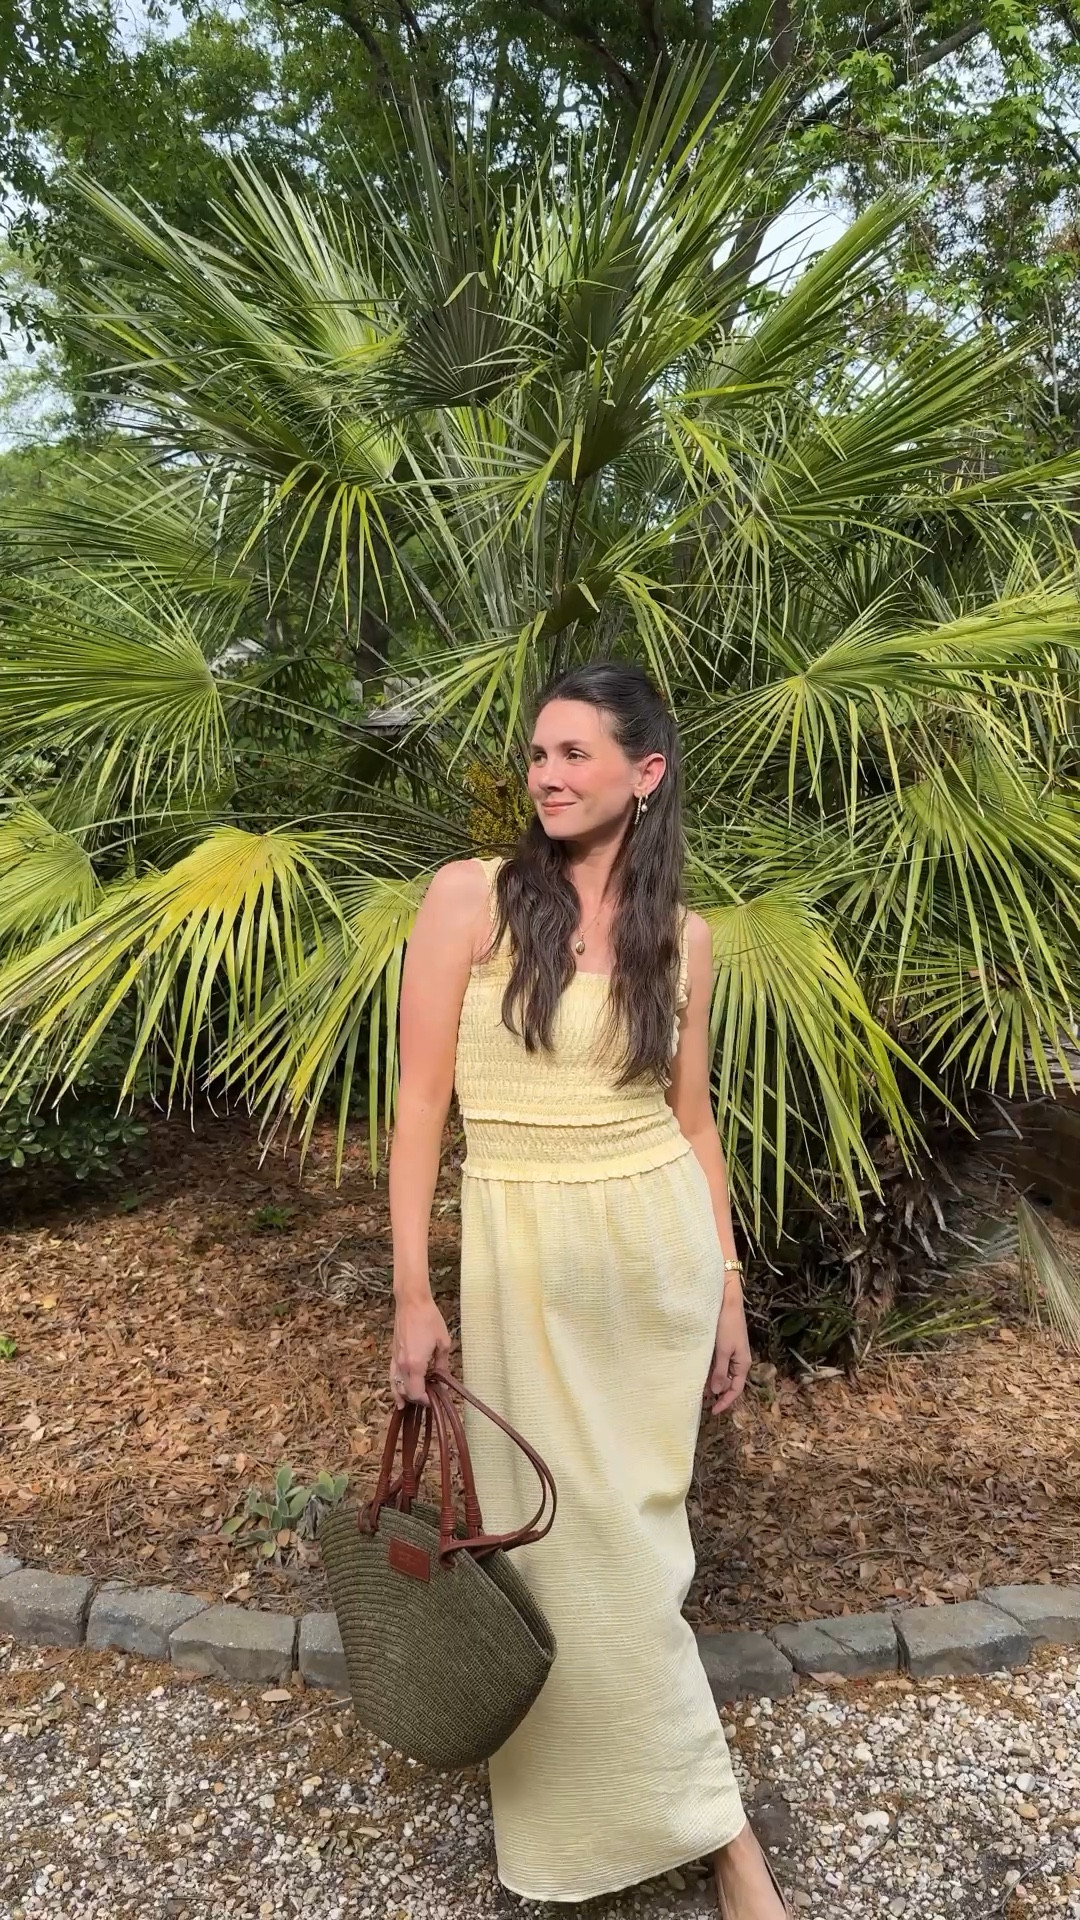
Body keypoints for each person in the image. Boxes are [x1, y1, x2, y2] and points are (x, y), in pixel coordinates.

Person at [386, 660, 789, 1918]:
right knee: (565, 1548)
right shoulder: (469, 900)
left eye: (575, 754)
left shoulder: (687, 938)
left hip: (655, 1262)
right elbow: (418, 1106)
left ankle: (710, 1830)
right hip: (523, 1258)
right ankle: (652, 1827)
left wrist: (728, 1289)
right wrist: (413, 1293)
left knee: (642, 1550)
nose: (547, 776)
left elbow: (695, 1124)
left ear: (645, 772)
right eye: (538, 754)